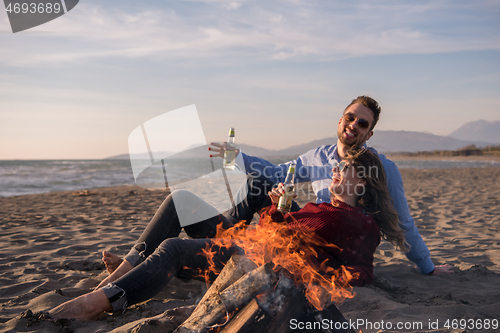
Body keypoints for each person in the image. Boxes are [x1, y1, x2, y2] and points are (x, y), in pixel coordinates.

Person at [49, 148, 403, 320]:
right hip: (252, 246)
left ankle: (102, 301)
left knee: (174, 248)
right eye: (338, 167)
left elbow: (350, 265)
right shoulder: (326, 207)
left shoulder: (353, 219)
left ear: (365, 183)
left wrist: (278, 211)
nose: (337, 173)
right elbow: (275, 228)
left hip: (253, 262)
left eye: (346, 170)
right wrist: (278, 207)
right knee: (181, 200)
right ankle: (124, 272)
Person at [209, 96, 453, 276]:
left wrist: (428, 268)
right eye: (350, 118)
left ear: (369, 135)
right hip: (311, 225)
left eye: (363, 124)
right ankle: (217, 244)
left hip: (334, 249)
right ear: (340, 120)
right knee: (258, 183)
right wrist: (238, 158)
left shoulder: (382, 168)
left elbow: (403, 221)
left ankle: (217, 251)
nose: (354, 125)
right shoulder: (317, 157)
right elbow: (276, 173)